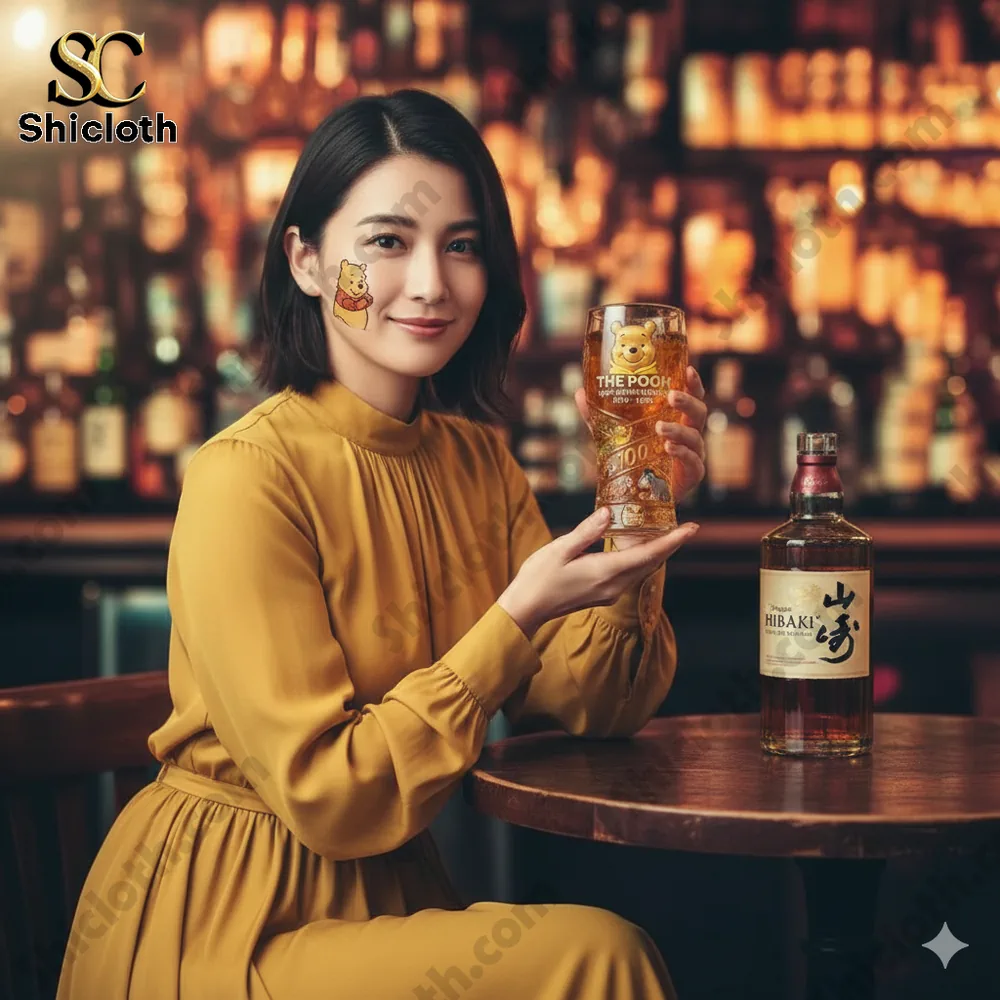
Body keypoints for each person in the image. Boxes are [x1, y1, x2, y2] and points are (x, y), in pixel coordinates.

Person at [56, 89, 708, 1000]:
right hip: (226, 928)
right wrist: (511, 622)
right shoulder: (246, 475)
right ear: (310, 262)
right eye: (388, 242)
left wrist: (641, 515)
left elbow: (595, 706)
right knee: (596, 956)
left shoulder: (478, 463)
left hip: (387, 903)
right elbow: (331, 795)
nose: (432, 284)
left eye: (463, 245)